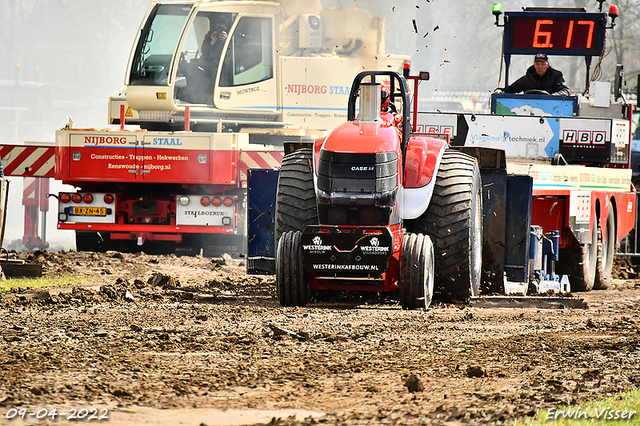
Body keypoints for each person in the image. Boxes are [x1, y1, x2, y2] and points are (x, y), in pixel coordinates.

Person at [503, 53, 570, 96]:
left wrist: (551, 97)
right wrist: (501, 91)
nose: (540, 67)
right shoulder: (528, 78)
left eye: (543, 64)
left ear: (548, 65)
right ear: (534, 65)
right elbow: (512, 89)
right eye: (537, 64)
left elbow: (565, 91)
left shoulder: (556, 77)